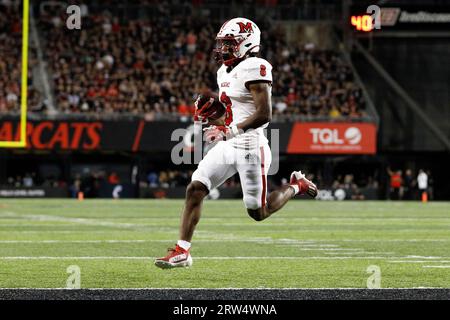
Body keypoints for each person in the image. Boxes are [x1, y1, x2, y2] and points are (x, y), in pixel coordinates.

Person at [154, 18, 318, 269]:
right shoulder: (224, 71)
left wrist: (227, 131)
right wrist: (213, 111)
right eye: (223, 44)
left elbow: (264, 114)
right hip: (230, 143)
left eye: (230, 44)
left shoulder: (256, 66)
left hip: (252, 147)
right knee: (195, 188)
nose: (223, 50)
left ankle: (297, 186)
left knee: (258, 212)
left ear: (247, 43)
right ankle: (182, 251)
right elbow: (233, 114)